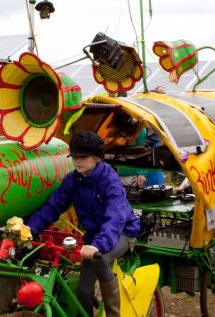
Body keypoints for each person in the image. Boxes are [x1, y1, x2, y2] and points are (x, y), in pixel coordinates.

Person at [26, 131, 140, 317]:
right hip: (94, 238)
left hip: (123, 233)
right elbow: (54, 206)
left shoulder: (110, 181)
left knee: (101, 257)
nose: (77, 161)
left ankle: (113, 314)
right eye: (74, 157)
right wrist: (29, 229)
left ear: (96, 158)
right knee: (82, 291)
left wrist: (97, 245)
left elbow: (115, 219)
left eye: (83, 157)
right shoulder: (74, 179)